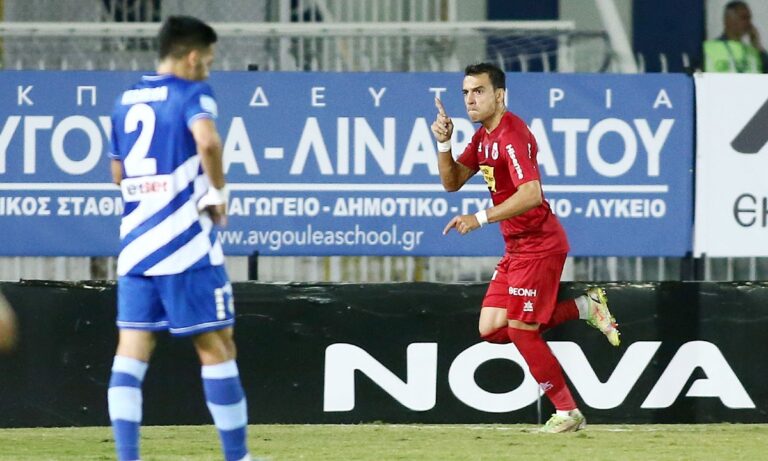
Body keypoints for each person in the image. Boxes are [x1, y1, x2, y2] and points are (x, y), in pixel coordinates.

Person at [431, 62, 620, 433]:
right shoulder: (483, 138)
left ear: (499, 95)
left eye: (479, 91)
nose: (470, 99)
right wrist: (444, 143)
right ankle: (584, 307)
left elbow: (531, 194)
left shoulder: (512, 134)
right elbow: (452, 182)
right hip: (516, 248)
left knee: (520, 331)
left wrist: (479, 217)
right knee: (491, 329)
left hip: (539, 245)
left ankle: (568, 412)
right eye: (466, 92)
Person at [107, 16, 251, 461]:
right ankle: (237, 456)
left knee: (131, 352)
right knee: (217, 345)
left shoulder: (125, 100)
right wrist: (217, 193)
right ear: (191, 57)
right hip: (184, 244)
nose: (208, 69)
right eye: (208, 60)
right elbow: (208, 142)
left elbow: (117, 173)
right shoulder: (192, 93)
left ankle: (127, 456)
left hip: (135, 248)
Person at [703, 1, 768, 73]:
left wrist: (757, 45)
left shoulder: (754, 52)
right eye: (744, 18)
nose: (748, 23)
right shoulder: (708, 49)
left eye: (749, 18)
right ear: (728, 20)